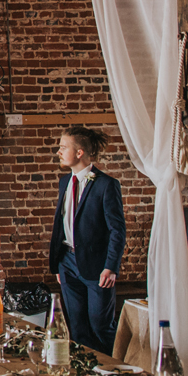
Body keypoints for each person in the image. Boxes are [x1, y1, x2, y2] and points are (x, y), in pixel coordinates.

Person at [47, 124, 125, 354]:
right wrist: (59, 265)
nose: (58, 152)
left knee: (100, 325)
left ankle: (119, 370)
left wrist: (111, 267)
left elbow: (117, 230)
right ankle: (89, 373)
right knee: (77, 327)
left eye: (63, 147)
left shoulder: (106, 185)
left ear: (79, 152)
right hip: (67, 263)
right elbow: (61, 226)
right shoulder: (64, 182)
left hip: (97, 266)